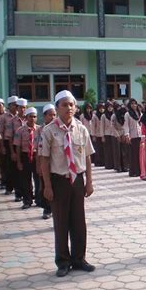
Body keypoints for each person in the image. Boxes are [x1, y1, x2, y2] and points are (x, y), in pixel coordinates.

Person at [39, 90, 95, 277]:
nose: (69, 108)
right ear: (57, 107)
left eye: (71, 104)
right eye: (64, 104)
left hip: (77, 180)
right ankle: (63, 261)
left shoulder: (81, 129)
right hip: (59, 181)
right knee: (61, 222)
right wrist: (46, 185)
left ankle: (79, 258)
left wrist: (89, 182)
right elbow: (44, 160)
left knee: (79, 222)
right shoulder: (49, 131)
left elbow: (87, 158)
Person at [13, 107, 40, 210]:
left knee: (38, 179)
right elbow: (18, 147)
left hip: (36, 156)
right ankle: (27, 200)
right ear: (26, 117)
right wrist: (19, 161)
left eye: (34, 116)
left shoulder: (39, 129)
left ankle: (38, 199)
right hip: (25, 156)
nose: (32, 119)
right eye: (30, 116)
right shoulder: (20, 130)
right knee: (26, 179)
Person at [36, 104, 56, 219]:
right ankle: (46, 209)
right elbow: (37, 150)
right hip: (45, 162)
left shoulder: (59, 128)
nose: (52, 117)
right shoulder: (40, 130)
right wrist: (39, 166)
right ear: (44, 116)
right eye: (50, 115)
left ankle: (56, 210)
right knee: (45, 186)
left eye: (54, 115)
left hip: (57, 164)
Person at [9, 98, 28, 202]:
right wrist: (12, 152)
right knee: (17, 172)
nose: (23, 110)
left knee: (26, 173)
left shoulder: (29, 118)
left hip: (27, 150)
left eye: (24, 108)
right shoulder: (13, 121)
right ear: (17, 108)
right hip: (16, 148)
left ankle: (28, 193)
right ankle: (18, 193)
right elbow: (10, 137)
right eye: (21, 108)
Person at [0, 96, 18, 195]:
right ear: (9, 106)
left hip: (18, 143)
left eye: (16, 104)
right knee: (8, 166)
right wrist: (2, 146)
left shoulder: (20, 116)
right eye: (14, 104)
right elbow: (1, 133)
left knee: (18, 167)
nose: (15, 106)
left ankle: (18, 188)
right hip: (7, 143)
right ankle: (9, 187)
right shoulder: (4, 117)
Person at [124, 98, 142, 177]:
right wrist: (127, 135)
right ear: (129, 105)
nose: (134, 105)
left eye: (135, 103)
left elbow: (141, 124)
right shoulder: (127, 114)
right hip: (132, 136)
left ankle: (139, 171)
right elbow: (126, 125)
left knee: (139, 154)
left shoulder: (139, 113)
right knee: (133, 154)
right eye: (132, 104)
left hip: (140, 136)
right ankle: (133, 171)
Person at [101, 102, 115, 170]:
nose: (110, 108)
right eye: (109, 107)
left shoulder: (114, 114)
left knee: (113, 150)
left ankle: (113, 164)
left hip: (114, 134)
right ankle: (108, 165)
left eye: (111, 107)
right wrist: (102, 136)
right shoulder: (103, 116)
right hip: (106, 134)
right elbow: (102, 126)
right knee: (107, 150)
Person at [91, 102, 105, 167]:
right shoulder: (95, 116)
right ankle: (98, 162)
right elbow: (93, 126)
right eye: (100, 108)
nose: (101, 109)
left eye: (103, 108)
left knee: (103, 149)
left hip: (103, 134)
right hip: (97, 134)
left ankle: (103, 161)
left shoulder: (104, 115)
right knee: (97, 149)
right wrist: (93, 135)